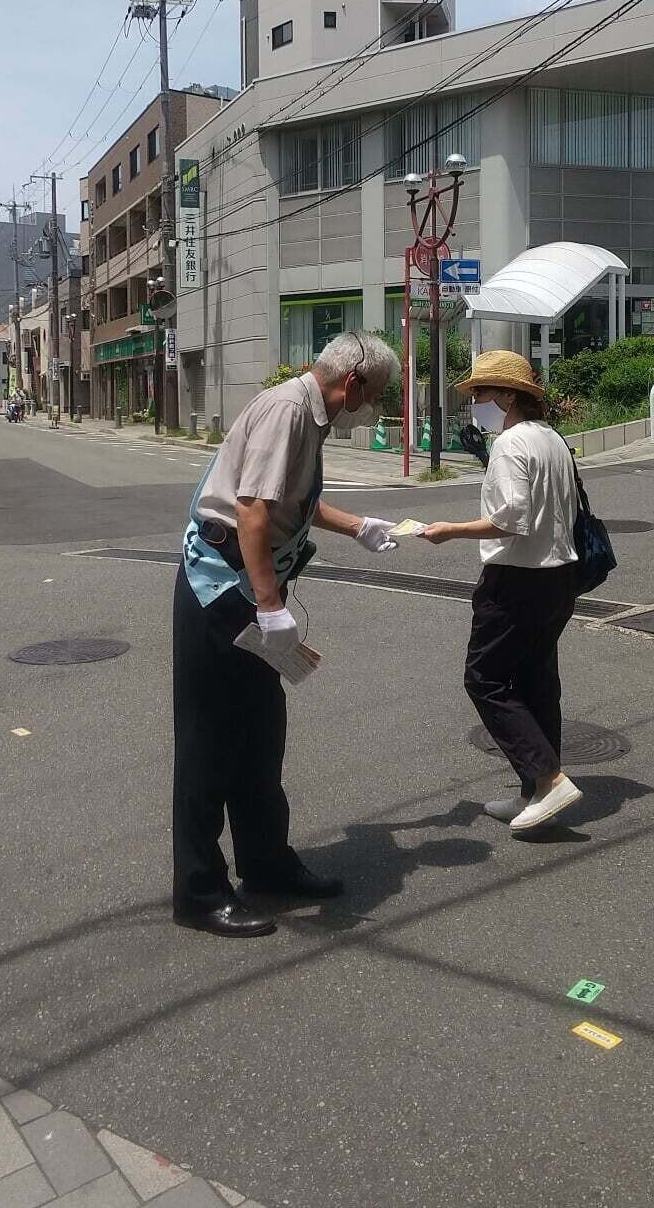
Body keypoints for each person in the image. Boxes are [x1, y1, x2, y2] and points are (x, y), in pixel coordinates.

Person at [173, 331, 400, 938]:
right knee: (210, 743)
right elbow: (250, 510)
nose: (374, 405)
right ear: (352, 383)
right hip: (219, 590)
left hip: (247, 587)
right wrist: (271, 609)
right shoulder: (286, 410)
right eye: (375, 393)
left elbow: (289, 504)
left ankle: (267, 863)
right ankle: (198, 891)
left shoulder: (311, 413)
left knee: (261, 732)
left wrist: (358, 526)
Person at [420, 350, 583, 834]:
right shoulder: (552, 439)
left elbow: (509, 518)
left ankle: (549, 779)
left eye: (482, 393)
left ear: (509, 395)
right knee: (536, 681)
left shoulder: (510, 444)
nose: (476, 402)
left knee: (485, 679)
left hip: (515, 579)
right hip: (559, 574)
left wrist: (451, 529)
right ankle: (534, 792)